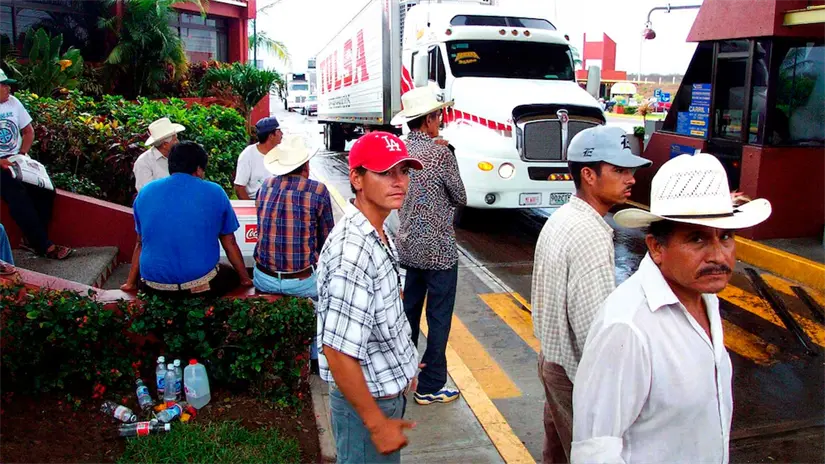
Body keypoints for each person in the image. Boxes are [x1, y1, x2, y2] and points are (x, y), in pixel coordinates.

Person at [571, 153, 772, 463]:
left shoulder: (704, 297)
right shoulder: (628, 327)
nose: (719, 256)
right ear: (656, 247)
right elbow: (595, 450)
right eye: (697, 239)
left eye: (726, 237)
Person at [531, 125, 652, 464]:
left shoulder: (563, 218)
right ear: (589, 174)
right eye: (619, 170)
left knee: (556, 453)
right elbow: (594, 333)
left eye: (631, 170)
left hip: (553, 360)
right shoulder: (590, 235)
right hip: (575, 376)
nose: (631, 179)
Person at [316, 131, 423, 463]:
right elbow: (338, 351)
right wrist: (377, 425)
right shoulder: (354, 251)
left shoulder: (377, 230)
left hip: (384, 394)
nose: (399, 181)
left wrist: (405, 364)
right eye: (385, 172)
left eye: (403, 171)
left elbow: (383, 312)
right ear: (357, 178)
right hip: (367, 406)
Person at [391, 87, 466, 405]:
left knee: (409, 311)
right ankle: (431, 384)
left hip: (408, 245)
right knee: (438, 318)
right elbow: (461, 196)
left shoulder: (399, 151)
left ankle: (400, 373)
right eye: (439, 115)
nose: (441, 120)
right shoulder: (441, 154)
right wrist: (452, 155)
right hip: (439, 250)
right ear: (430, 120)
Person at [120, 141, 252, 297]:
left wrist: (130, 283)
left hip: (152, 286)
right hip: (199, 284)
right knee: (229, 274)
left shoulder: (145, 192)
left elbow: (140, 243)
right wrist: (245, 279)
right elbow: (229, 242)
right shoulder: (215, 192)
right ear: (198, 169)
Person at [254, 134, 334, 371]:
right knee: (327, 299)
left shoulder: (265, 186)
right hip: (300, 283)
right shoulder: (317, 190)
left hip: (263, 277)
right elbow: (327, 241)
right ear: (306, 165)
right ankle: (316, 358)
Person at [0, 69, 72, 260]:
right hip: (0, 164)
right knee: (17, 195)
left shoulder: (14, 103)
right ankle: (44, 246)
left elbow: (29, 131)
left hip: (16, 159)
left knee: (45, 190)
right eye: (4, 84)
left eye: (8, 84)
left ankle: (31, 238)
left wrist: (22, 155)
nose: (8, 88)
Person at [234, 117, 283, 200]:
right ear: (271, 136)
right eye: (279, 131)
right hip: (256, 201)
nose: (282, 134)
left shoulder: (281, 153)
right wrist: (252, 208)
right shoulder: (248, 155)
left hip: (278, 203)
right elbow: (239, 188)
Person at [133, 117, 185, 192]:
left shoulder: (178, 156)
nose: (178, 141)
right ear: (164, 144)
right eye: (175, 139)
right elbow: (146, 193)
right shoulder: (144, 162)